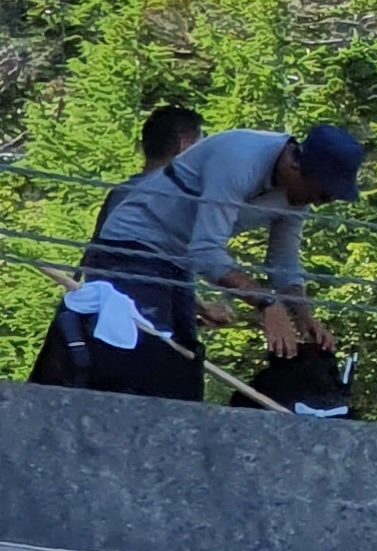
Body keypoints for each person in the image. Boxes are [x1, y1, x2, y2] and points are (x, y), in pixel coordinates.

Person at [65, 121, 359, 401]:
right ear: (296, 164)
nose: (320, 202)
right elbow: (205, 251)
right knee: (147, 356)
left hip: (177, 263)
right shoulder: (239, 159)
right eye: (323, 192)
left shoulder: (298, 195)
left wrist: (304, 317)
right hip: (131, 249)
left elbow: (283, 261)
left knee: (185, 365)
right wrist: (268, 304)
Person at [27, 106, 201, 389]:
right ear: (185, 143)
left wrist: (197, 305)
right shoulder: (171, 198)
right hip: (139, 339)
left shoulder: (120, 194)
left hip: (107, 329)